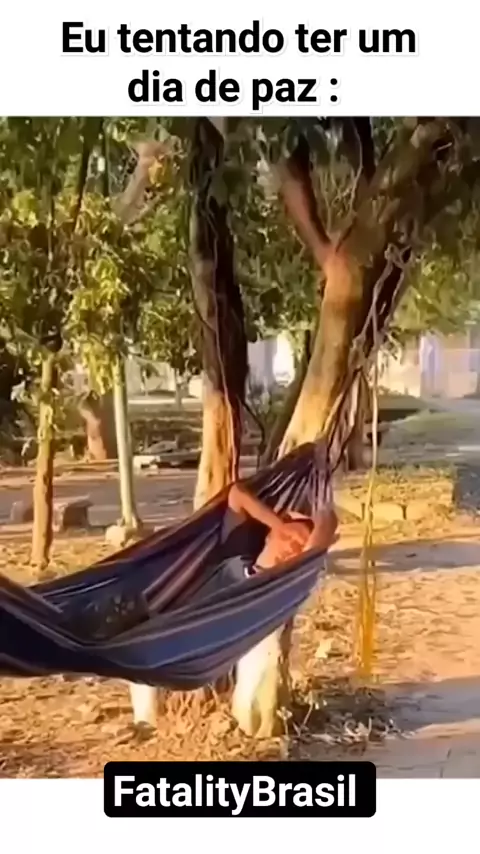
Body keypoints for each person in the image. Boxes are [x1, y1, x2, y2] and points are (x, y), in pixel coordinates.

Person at [195, 480, 338, 600]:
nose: (289, 547)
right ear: (269, 536)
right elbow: (237, 494)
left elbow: (329, 520)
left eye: (299, 546)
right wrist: (279, 525)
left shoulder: (280, 590)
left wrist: (323, 509)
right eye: (286, 537)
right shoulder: (236, 555)